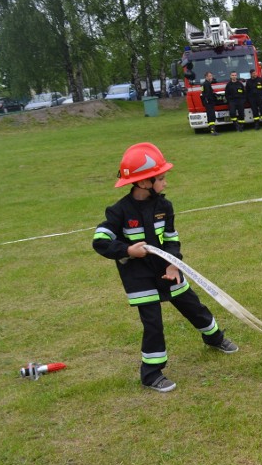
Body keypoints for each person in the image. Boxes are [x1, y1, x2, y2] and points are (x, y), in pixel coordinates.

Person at [92, 143, 239, 392]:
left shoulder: (164, 207)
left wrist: (173, 264)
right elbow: (100, 241)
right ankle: (151, 374)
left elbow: (171, 239)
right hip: (138, 276)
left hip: (166, 270)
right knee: (153, 324)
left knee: (193, 306)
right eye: (161, 178)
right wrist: (127, 250)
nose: (165, 183)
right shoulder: (119, 211)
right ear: (143, 183)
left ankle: (215, 338)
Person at [201, 72, 219, 136]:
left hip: (207, 102)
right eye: (210, 76)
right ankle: (212, 130)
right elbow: (207, 94)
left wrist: (214, 94)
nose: (211, 77)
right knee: (211, 116)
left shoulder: (205, 84)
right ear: (206, 77)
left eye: (211, 76)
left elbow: (204, 93)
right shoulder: (206, 84)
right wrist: (213, 97)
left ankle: (212, 129)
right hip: (209, 103)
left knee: (210, 115)